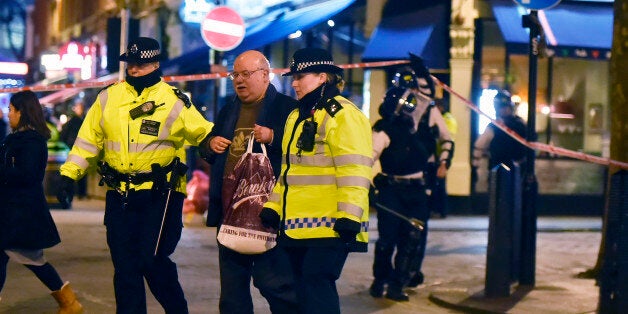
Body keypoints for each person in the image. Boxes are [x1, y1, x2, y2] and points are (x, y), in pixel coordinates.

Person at [56, 37, 214, 314]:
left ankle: (177, 310)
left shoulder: (174, 100)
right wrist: (69, 175)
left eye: (141, 65)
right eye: (131, 64)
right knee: (125, 266)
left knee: (151, 260)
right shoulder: (108, 98)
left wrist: (215, 146)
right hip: (120, 195)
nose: (134, 70)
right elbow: (87, 141)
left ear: (155, 64)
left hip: (160, 195)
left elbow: (205, 132)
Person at [258, 48, 372, 314]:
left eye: (301, 76)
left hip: (331, 226)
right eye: (293, 77)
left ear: (323, 77)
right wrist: (274, 208)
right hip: (297, 226)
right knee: (296, 290)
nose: (294, 83)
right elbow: (289, 172)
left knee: (316, 287)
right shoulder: (296, 116)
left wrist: (350, 217)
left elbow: (355, 169)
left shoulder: (343, 114)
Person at [200, 50, 298, 313]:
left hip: (268, 213)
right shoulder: (228, 108)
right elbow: (205, 147)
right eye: (235, 75)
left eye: (247, 74)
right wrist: (210, 143)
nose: (239, 80)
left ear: (265, 75)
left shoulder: (287, 108)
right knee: (232, 294)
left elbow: (302, 150)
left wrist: (274, 137)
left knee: (275, 286)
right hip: (230, 212)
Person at [369, 55, 454, 301]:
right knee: (387, 239)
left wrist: (444, 162)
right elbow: (369, 157)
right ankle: (380, 280)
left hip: (418, 184)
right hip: (393, 186)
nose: (411, 96)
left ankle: (400, 282)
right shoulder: (385, 127)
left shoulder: (427, 112)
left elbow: (446, 136)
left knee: (412, 238)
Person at [0, 91, 83, 313]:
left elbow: (29, 175)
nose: (9, 114)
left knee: (34, 259)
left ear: (21, 112)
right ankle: (69, 303)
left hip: (22, 213)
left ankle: (69, 303)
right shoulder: (16, 139)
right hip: (10, 211)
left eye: (11, 110)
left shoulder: (32, 142)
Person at [472, 90, 527, 174]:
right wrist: (474, 167)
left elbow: (530, 145)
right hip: (499, 170)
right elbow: (479, 145)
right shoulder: (494, 126)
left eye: (505, 107)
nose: (504, 110)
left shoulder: (520, 124)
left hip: (518, 169)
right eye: (501, 108)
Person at [427, 98, 458, 218]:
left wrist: (443, 161)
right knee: (436, 184)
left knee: (439, 184)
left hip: (441, 157)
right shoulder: (446, 118)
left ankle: (441, 211)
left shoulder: (448, 119)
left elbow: (447, 138)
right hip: (436, 156)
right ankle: (436, 210)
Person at [59, 99, 87, 199]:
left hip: (72, 147)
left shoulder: (72, 121)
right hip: (80, 148)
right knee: (81, 172)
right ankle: (81, 193)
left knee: (72, 171)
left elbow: (63, 134)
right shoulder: (81, 121)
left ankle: (72, 193)